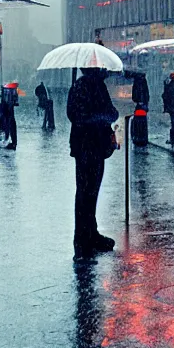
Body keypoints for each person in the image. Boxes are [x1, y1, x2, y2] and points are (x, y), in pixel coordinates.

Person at [67, 68, 119, 262]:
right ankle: (81, 244)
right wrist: (101, 117)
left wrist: (107, 115)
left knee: (91, 192)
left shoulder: (97, 85)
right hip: (86, 146)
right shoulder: (81, 87)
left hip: (96, 145)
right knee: (84, 194)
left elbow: (110, 112)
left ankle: (91, 234)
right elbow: (77, 116)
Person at [131, 72, 150, 147]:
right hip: (144, 106)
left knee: (137, 123)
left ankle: (137, 137)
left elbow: (134, 96)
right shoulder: (144, 82)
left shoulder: (136, 82)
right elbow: (147, 94)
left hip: (138, 106)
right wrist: (145, 102)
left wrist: (138, 101)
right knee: (143, 123)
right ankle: (143, 138)